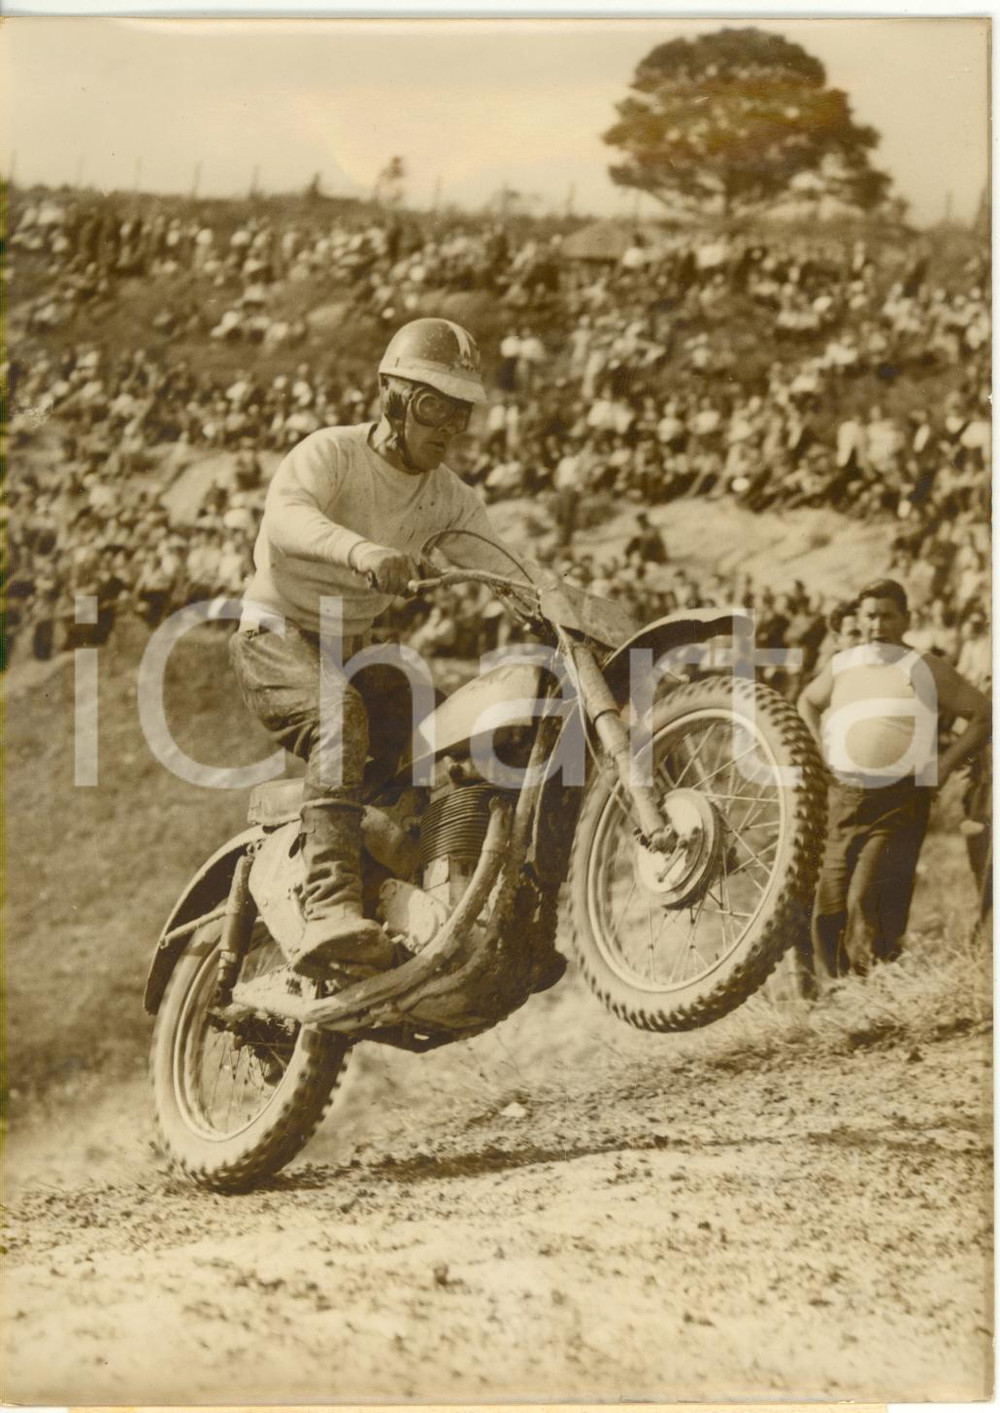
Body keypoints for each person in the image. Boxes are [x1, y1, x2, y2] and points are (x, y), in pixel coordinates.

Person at [230, 318, 525, 985]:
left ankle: (438, 904)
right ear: (392, 395)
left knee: (460, 736)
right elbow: (286, 514)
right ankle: (330, 900)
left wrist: (564, 605)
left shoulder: (448, 495)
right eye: (431, 405)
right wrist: (362, 551)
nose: (446, 427)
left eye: (461, 413)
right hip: (275, 631)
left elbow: (506, 563)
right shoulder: (331, 453)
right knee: (342, 717)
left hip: (360, 646)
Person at [797, 579, 990, 985]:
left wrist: (944, 766)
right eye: (870, 616)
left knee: (872, 900)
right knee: (827, 909)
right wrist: (821, 749)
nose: (877, 625)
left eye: (887, 616)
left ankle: (878, 986)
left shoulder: (925, 667)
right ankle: (839, 994)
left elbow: (982, 714)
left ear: (906, 620)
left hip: (899, 799)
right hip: (845, 798)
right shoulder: (842, 664)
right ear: (860, 619)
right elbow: (808, 701)